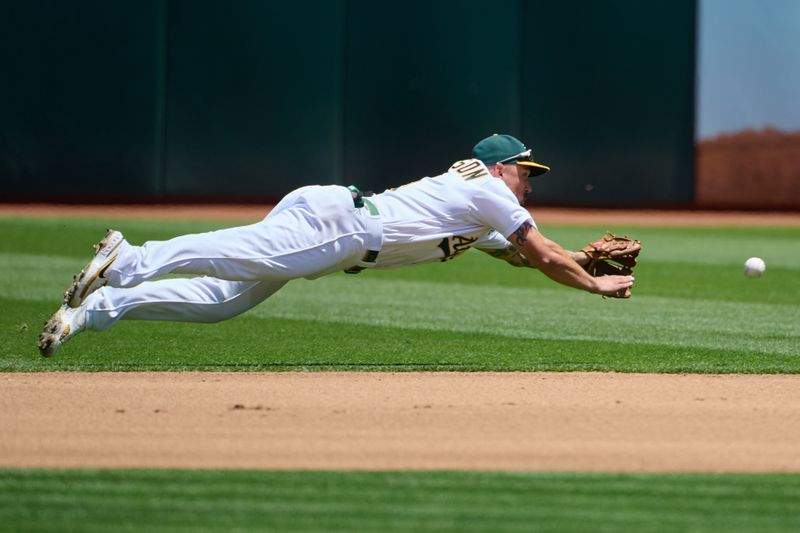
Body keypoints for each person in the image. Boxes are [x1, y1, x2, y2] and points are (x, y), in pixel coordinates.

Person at [38, 134, 635, 356]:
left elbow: (522, 255)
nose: (530, 182)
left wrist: (582, 256)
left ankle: (90, 313)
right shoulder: (487, 190)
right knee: (245, 252)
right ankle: (130, 257)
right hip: (345, 228)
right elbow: (541, 253)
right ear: (500, 167)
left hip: (338, 219)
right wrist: (594, 282)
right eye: (525, 171)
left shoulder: (480, 204)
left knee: (224, 300)